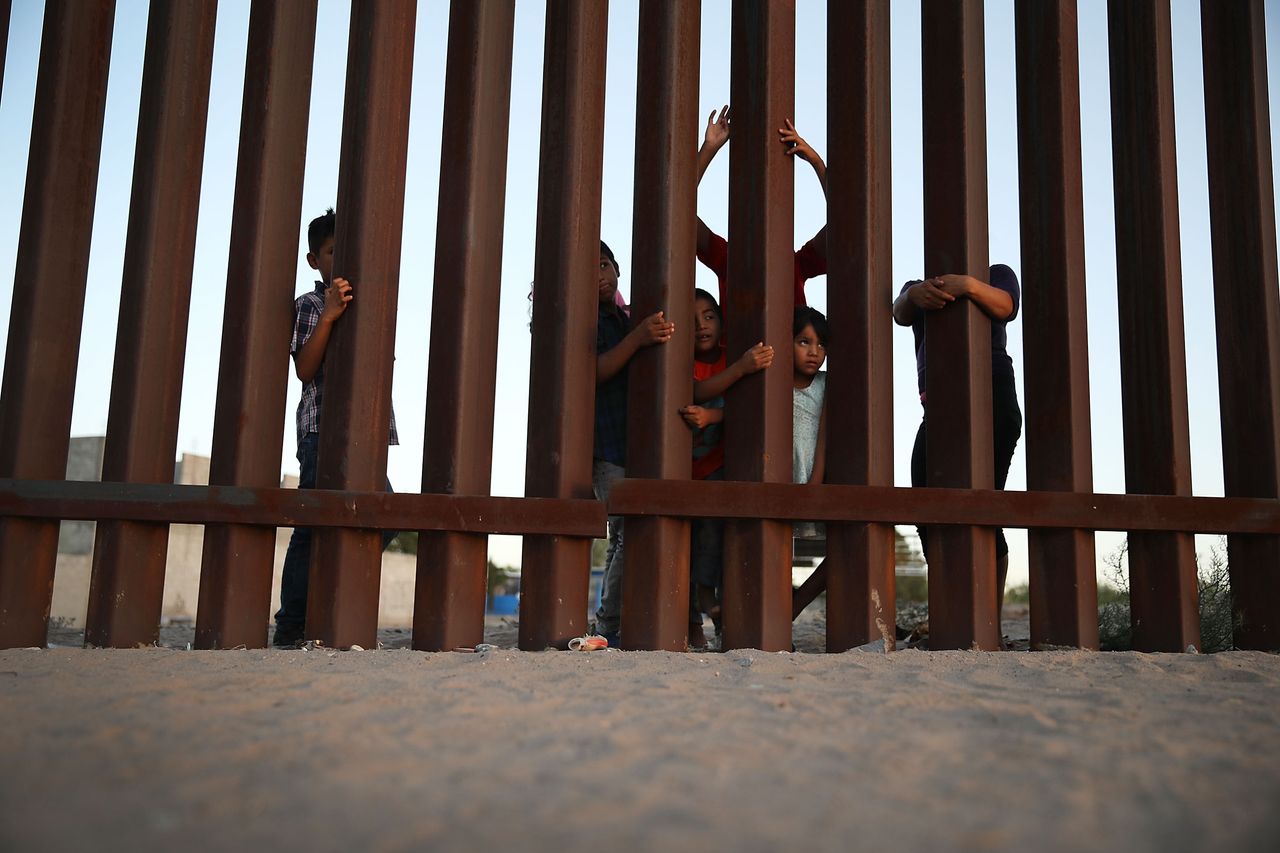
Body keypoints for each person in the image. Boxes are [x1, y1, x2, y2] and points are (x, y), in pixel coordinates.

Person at [273, 208, 398, 648]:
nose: (339, 258)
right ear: (314, 260)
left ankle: (329, 598)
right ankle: (291, 625)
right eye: (330, 251)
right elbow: (305, 370)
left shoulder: (371, 302)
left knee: (386, 514)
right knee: (311, 525)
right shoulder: (309, 305)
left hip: (365, 434)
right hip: (320, 431)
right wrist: (328, 316)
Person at [892, 266, 1023, 623]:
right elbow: (899, 311)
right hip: (938, 406)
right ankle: (950, 611)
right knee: (924, 497)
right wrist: (912, 296)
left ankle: (988, 620)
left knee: (986, 506)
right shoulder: (920, 284)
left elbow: (1007, 305)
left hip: (993, 398)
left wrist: (966, 286)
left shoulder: (997, 274)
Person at [678, 288, 773, 648]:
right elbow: (695, 390)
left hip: (720, 465)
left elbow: (748, 408)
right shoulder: (681, 357)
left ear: (721, 320)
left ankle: (712, 608)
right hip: (686, 469)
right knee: (683, 544)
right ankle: (693, 623)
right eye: (690, 320)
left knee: (715, 538)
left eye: (708, 316)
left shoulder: (729, 356)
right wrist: (741, 368)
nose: (700, 325)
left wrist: (714, 415)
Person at [591, 241, 675, 647]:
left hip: (632, 442)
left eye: (604, 264)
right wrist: (639, 337)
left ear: (618, 268)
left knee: (621, 536)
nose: (600, 276)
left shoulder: (620, 317)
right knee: (626, 533)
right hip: (606, 444)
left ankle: (610, 621)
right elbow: (595, 370)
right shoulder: (593, 321)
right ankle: (608, 624)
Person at [696, 105, 829, 308]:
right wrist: (710, 147)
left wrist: (817, 162)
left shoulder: (796, 265)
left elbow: (844, 225)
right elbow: (679, 214)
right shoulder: (727, 259)